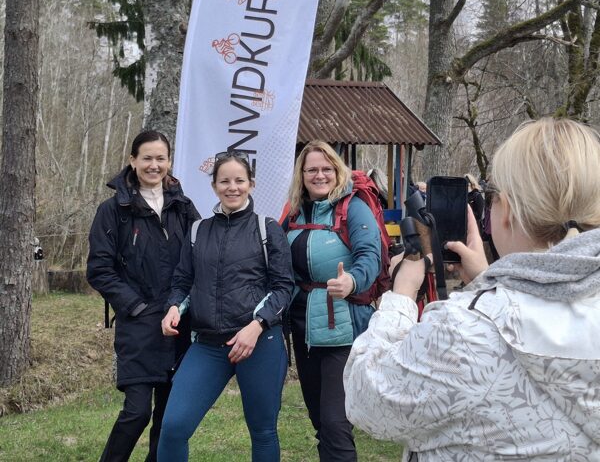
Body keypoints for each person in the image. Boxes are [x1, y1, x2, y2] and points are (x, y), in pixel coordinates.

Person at [344, 117, 600, 460]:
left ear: (507, 211)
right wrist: (488, 281)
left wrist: (401, 295)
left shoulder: (465, 333)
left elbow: (367, 399)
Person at [157, 151, 294, 462]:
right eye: (224, 181)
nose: (233, 187)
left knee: (263, 431)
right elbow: (182, 281)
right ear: (214, 186)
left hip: (259, 343)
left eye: (239, 180)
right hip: (208, 345)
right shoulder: (198, 230)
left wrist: (257, 326)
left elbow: (283, 288)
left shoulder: (267, 228)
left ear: (251, 184)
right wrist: (174, 307)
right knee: (174, 427)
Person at [87, 130, 199, 462]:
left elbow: (200, 257)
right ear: (133, 160)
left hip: (179, 322)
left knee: (168, 416)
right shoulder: (113, 210)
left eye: (160, 158)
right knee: (137, 412)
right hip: (138, 324)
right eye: (147, 158)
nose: (154, 165)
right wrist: (135, 306)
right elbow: (99, 269)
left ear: (169, 162)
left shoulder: (183, 207)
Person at [286, 140, 381, 462]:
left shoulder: (353, 207)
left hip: (343, 326)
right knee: (320, 421)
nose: (319, 175)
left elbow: (370, 255)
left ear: (337, 171)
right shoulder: (295, 211)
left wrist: (351, 280)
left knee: (335, 422)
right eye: (312, 169)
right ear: (301, 174)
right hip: (303, 327)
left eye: (326, 168)